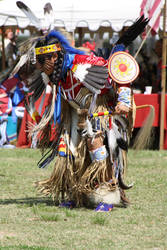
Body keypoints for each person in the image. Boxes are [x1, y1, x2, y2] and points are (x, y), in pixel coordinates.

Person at [9, 16, 148, 210]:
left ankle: (108, 195)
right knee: (68, 149)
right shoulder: (53, 72)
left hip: (99, 107)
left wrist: (124, 100)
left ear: (54, 57)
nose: (39, 67)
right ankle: (78, 195)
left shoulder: (81, 64)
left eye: (42, 61)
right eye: (37, 62)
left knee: (96, 144)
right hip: (76, 111)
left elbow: (116, 71)